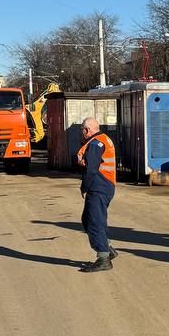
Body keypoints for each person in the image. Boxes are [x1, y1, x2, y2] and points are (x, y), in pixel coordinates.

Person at [78, 116, 117, 273]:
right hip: (104, 186)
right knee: (88, 219)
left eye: (82, 129)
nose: (82, 133)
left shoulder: (95, 144)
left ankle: (103, 258)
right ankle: (106, 249)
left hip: (99, 186)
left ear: (87, 130)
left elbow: (91, 169)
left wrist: (84, 187)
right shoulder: (103, 139)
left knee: (95, 221)